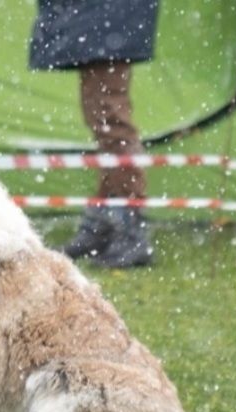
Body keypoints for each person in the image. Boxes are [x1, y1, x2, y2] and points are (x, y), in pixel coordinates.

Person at [30, 0, 159, 268]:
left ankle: (128, 226)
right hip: (104, 17)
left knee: (110, 120)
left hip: (108, 16)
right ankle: (105, 223)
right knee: (103, 118)